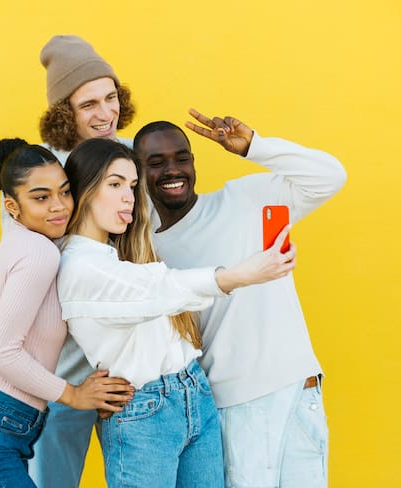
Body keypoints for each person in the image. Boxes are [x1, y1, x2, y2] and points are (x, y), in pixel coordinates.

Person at [56, 137, 298, 487]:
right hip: (144, 413)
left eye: (133, 185)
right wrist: (239, 275)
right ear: (84, 190)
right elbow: (158, 289)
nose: (129, 196)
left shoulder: (117, 252)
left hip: (193, 392)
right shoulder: (79, 266)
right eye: (114, 184)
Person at [133, 112, 347, 488]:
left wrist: (255, 146)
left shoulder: (243, 199)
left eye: (181, 158)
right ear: (138, 173)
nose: (172, 170)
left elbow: (330, 177)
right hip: (231, 406)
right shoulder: (146, 251)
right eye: (156, 163)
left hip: (298, 389)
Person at [0, 139, 134, 488]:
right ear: (12, 205)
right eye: (41, 197)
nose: (59, 207)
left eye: (65, 192)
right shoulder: (40, 253)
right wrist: (73, 395)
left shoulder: (24, 245)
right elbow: (1, 352)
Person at [28, 35, 137, 487]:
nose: (105, 113)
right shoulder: (38, 171)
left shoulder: (133, 154)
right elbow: (34, 268)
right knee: (51, 479)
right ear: (63, 114)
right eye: (88, 103)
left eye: (110, 97)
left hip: (130, 367)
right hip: (64, 367)